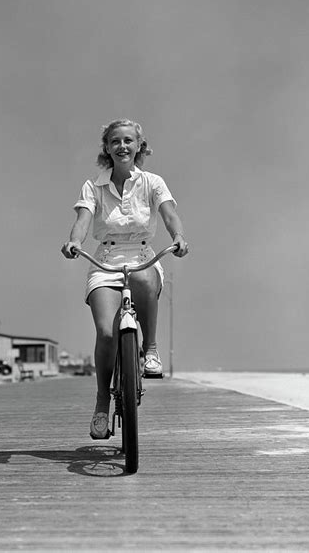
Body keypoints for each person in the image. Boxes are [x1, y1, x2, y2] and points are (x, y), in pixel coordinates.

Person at [61, 119, 188, 439]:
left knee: (145, 281)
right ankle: (102, 402)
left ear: (139, 146)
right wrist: (74, 241)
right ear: (106, 148)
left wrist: (179, 237)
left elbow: (170, 214)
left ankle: (151, 349)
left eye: (129, 141)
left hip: (143, 255)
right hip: (105, 260)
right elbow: (83, 220)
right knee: (105, 333)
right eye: (115, 141)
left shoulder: (153, 182)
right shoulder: (93, 187)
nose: (122, 146)